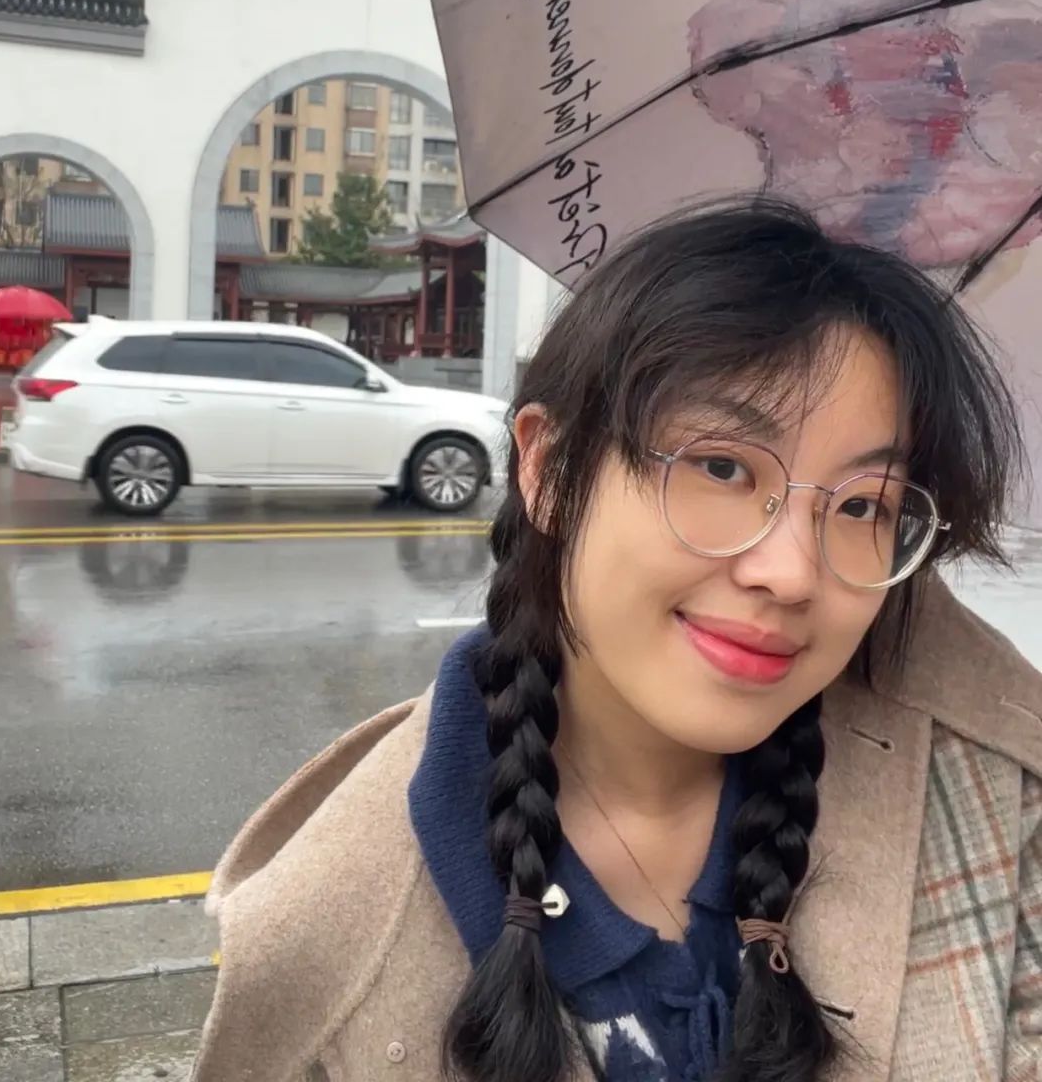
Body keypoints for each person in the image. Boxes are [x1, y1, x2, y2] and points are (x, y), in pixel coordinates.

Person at [192, 196, 1042, 1082]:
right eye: (721, 465)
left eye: (865, 504)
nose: (792, 574)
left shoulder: (990, 798)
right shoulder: (327, 947)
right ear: (548, 468)